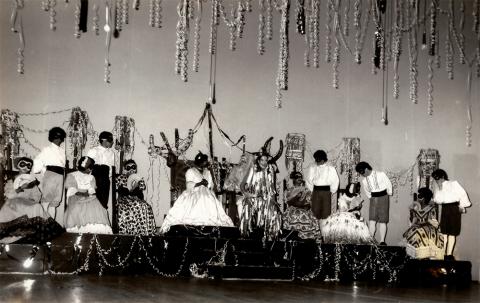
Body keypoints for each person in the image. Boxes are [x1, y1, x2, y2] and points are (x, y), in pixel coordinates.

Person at [160, 152, 233, 233]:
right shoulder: (190, 171)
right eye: (204, 161)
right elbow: (189, 185)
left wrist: (207, 184)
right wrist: (199, 183)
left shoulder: (207, 172)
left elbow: (210, 185)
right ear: (199, 162)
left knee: (208, 198)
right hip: (193, 192)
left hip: (206, 192)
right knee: (201, 199)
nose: (206, 163)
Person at [64, 157, 112, 234]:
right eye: (90, 168)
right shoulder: (72, 175)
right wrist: (81, 194)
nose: (90, 170)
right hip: (75, 197)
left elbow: (91, 190)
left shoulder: (91, 177)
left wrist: (90, 193)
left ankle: (93, 229)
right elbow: (71, 190)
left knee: (98, 207)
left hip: (88, 197)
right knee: (77, 207)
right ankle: (79, 229)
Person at [431, 169, 471, 261]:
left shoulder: (453, 183)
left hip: (454, 209)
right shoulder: (438, 188)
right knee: (444, 231)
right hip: (445, 209)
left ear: (443, 177)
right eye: (435, 180)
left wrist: (462, 205)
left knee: (452, 232)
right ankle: (443, 253)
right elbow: (438, 200)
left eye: (438, 179)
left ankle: (449, 255)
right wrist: (440, 189)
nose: (437, 181)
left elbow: (463, 194)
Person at [241, 152, 282, 240]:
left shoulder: (270, 170)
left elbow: (272, 188)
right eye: (262, 160)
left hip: (266, 199)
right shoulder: (253, 169)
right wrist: (248, 194)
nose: (264, 162)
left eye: (266, 160)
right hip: (254, 198)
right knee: (248, 207)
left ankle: (269, 235)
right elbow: (242, 185)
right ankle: (248, 234)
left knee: (273, 210)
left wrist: (274, 201)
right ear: (258, 161)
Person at [32, 127, 67, 223]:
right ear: (55, 137)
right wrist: (44, 171)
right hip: (51, 175)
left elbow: (62, 164)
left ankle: (51, 224)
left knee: (55, 201)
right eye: (59, 137)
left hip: (60, 176)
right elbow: (38, 160)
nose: (60, 140)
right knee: (46, 200)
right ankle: (43, 224)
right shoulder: (47, 149)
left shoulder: (62, 151)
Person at [0, 157, 48, 223]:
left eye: (28, 166)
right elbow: (9, 196)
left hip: (27, 203)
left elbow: (37, 195)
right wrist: (21, 188)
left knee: (37, 206)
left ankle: (35, 228)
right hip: (14, 204)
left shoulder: (31, 181)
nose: (25, 167)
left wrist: (32, 200)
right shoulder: (12, 181)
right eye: (22, 164)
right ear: (18, 166)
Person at [355, 161, 392, 245]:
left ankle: (382, 241)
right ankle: (370, 239)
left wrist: (389, 193)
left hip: (383, 198)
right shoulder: (364, 181)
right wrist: (371, 198)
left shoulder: (381, 174)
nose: (362, 174)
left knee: (383, 220)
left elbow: (388, 184)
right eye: (360, 173)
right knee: (372, 219)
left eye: (362, 172)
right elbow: (367, 191)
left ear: (367, 169)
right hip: (373, 199)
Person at [116, 159, 156, 236]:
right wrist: (133, 187)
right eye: (129, 167)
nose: (131, 169)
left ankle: (145, 232)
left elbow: (140, 194)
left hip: (136, 199)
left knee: (146, 206)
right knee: (136, 205)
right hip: (124, 200)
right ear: (125, 169)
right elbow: (122, 192)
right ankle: (131, 232)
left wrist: (137, 188)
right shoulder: (121, 178)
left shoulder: (139, 179)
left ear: (136, 168)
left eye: (133, 167)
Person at [402, 187, 444, 259]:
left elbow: (434, 222)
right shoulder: (416, 208)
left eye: (419, 196)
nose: (418, 198)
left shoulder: (431, 208)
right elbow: (413, 221)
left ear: (424, 198)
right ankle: (415, 255)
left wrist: (425, 222)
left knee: (418, 232)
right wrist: (411, 213)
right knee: (414, 231)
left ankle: (424, 254)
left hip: (429, 228)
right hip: (417, 227)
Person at [283, 171, 321, 240]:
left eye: (301, 177)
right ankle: (293, 236)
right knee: (295, 214)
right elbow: (288, 202)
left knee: (309, 215)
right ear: (293, 179)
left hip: (304, 209)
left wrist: (307, 206)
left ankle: (307, 238)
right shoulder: (289, 190)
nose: (300, 178)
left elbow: (310, 202)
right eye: (297, 177)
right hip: (292, 209)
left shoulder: (306, 190)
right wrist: (296, 198)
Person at [306, 150, 340, 226]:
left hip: (326, 192)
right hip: (316, 191)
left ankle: (324, 231)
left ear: (323, 159)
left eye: (319, 160)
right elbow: (308, 180)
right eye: (316, 160)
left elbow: (335, 180)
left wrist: (332, 190)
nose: (317, 162)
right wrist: (313, 190)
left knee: (326, 212)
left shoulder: (330, 168)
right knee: (315, 211)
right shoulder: (313, 168)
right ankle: (315, 231)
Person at [87, 131, 115, 210]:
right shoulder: (93, 151)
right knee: (93, 201)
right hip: (95, 178)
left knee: (103, 203)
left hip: (105, 179)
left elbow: (111, 168)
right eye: (110, 140)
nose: (112, 142)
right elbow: (87, 166)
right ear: (104, 140)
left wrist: (107, 178)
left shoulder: (111, 153)